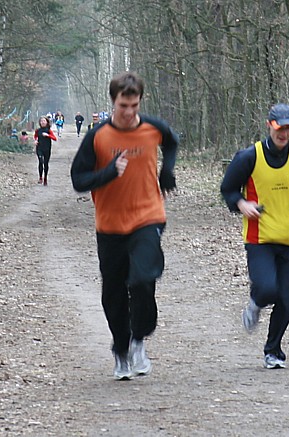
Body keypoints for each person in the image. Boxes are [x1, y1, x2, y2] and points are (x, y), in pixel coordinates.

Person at [71, 71, 179, 380]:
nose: (129, 112)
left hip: (148, 216)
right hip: (110, 226)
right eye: (123, 106)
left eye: (134, 105)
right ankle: (121, 349)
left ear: (140, 101)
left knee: (143, 279)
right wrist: (108, 173)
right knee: (114, 293)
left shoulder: (153, 128)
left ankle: (139, 338)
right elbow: (79, 180)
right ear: (113, 102)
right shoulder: (98, 136)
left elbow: (172, 142)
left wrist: (167, 172)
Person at [220, 103, 289, 370]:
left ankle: (273, 350)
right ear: (269, 125)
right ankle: (255, 303)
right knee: (267, 288)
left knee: (288, 300)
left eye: (288, 128)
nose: (283, 133)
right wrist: (241, 204)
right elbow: (228, 189)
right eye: (279, 127)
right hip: (260, 239)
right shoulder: (250, 157)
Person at [34, 116, 57, 186]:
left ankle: (45, 178)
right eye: (41, 121)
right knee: (41, 161)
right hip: (39, 148)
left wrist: (48, 135)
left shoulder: (49, 130)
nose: (42, 122)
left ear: (47, 122)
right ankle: (40, 177)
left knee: (46, 164)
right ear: (39, 123)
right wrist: (35, 140)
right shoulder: (38, 130)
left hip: (47, 149)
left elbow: (55, 138)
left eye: (44, 121)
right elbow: (35, 136)